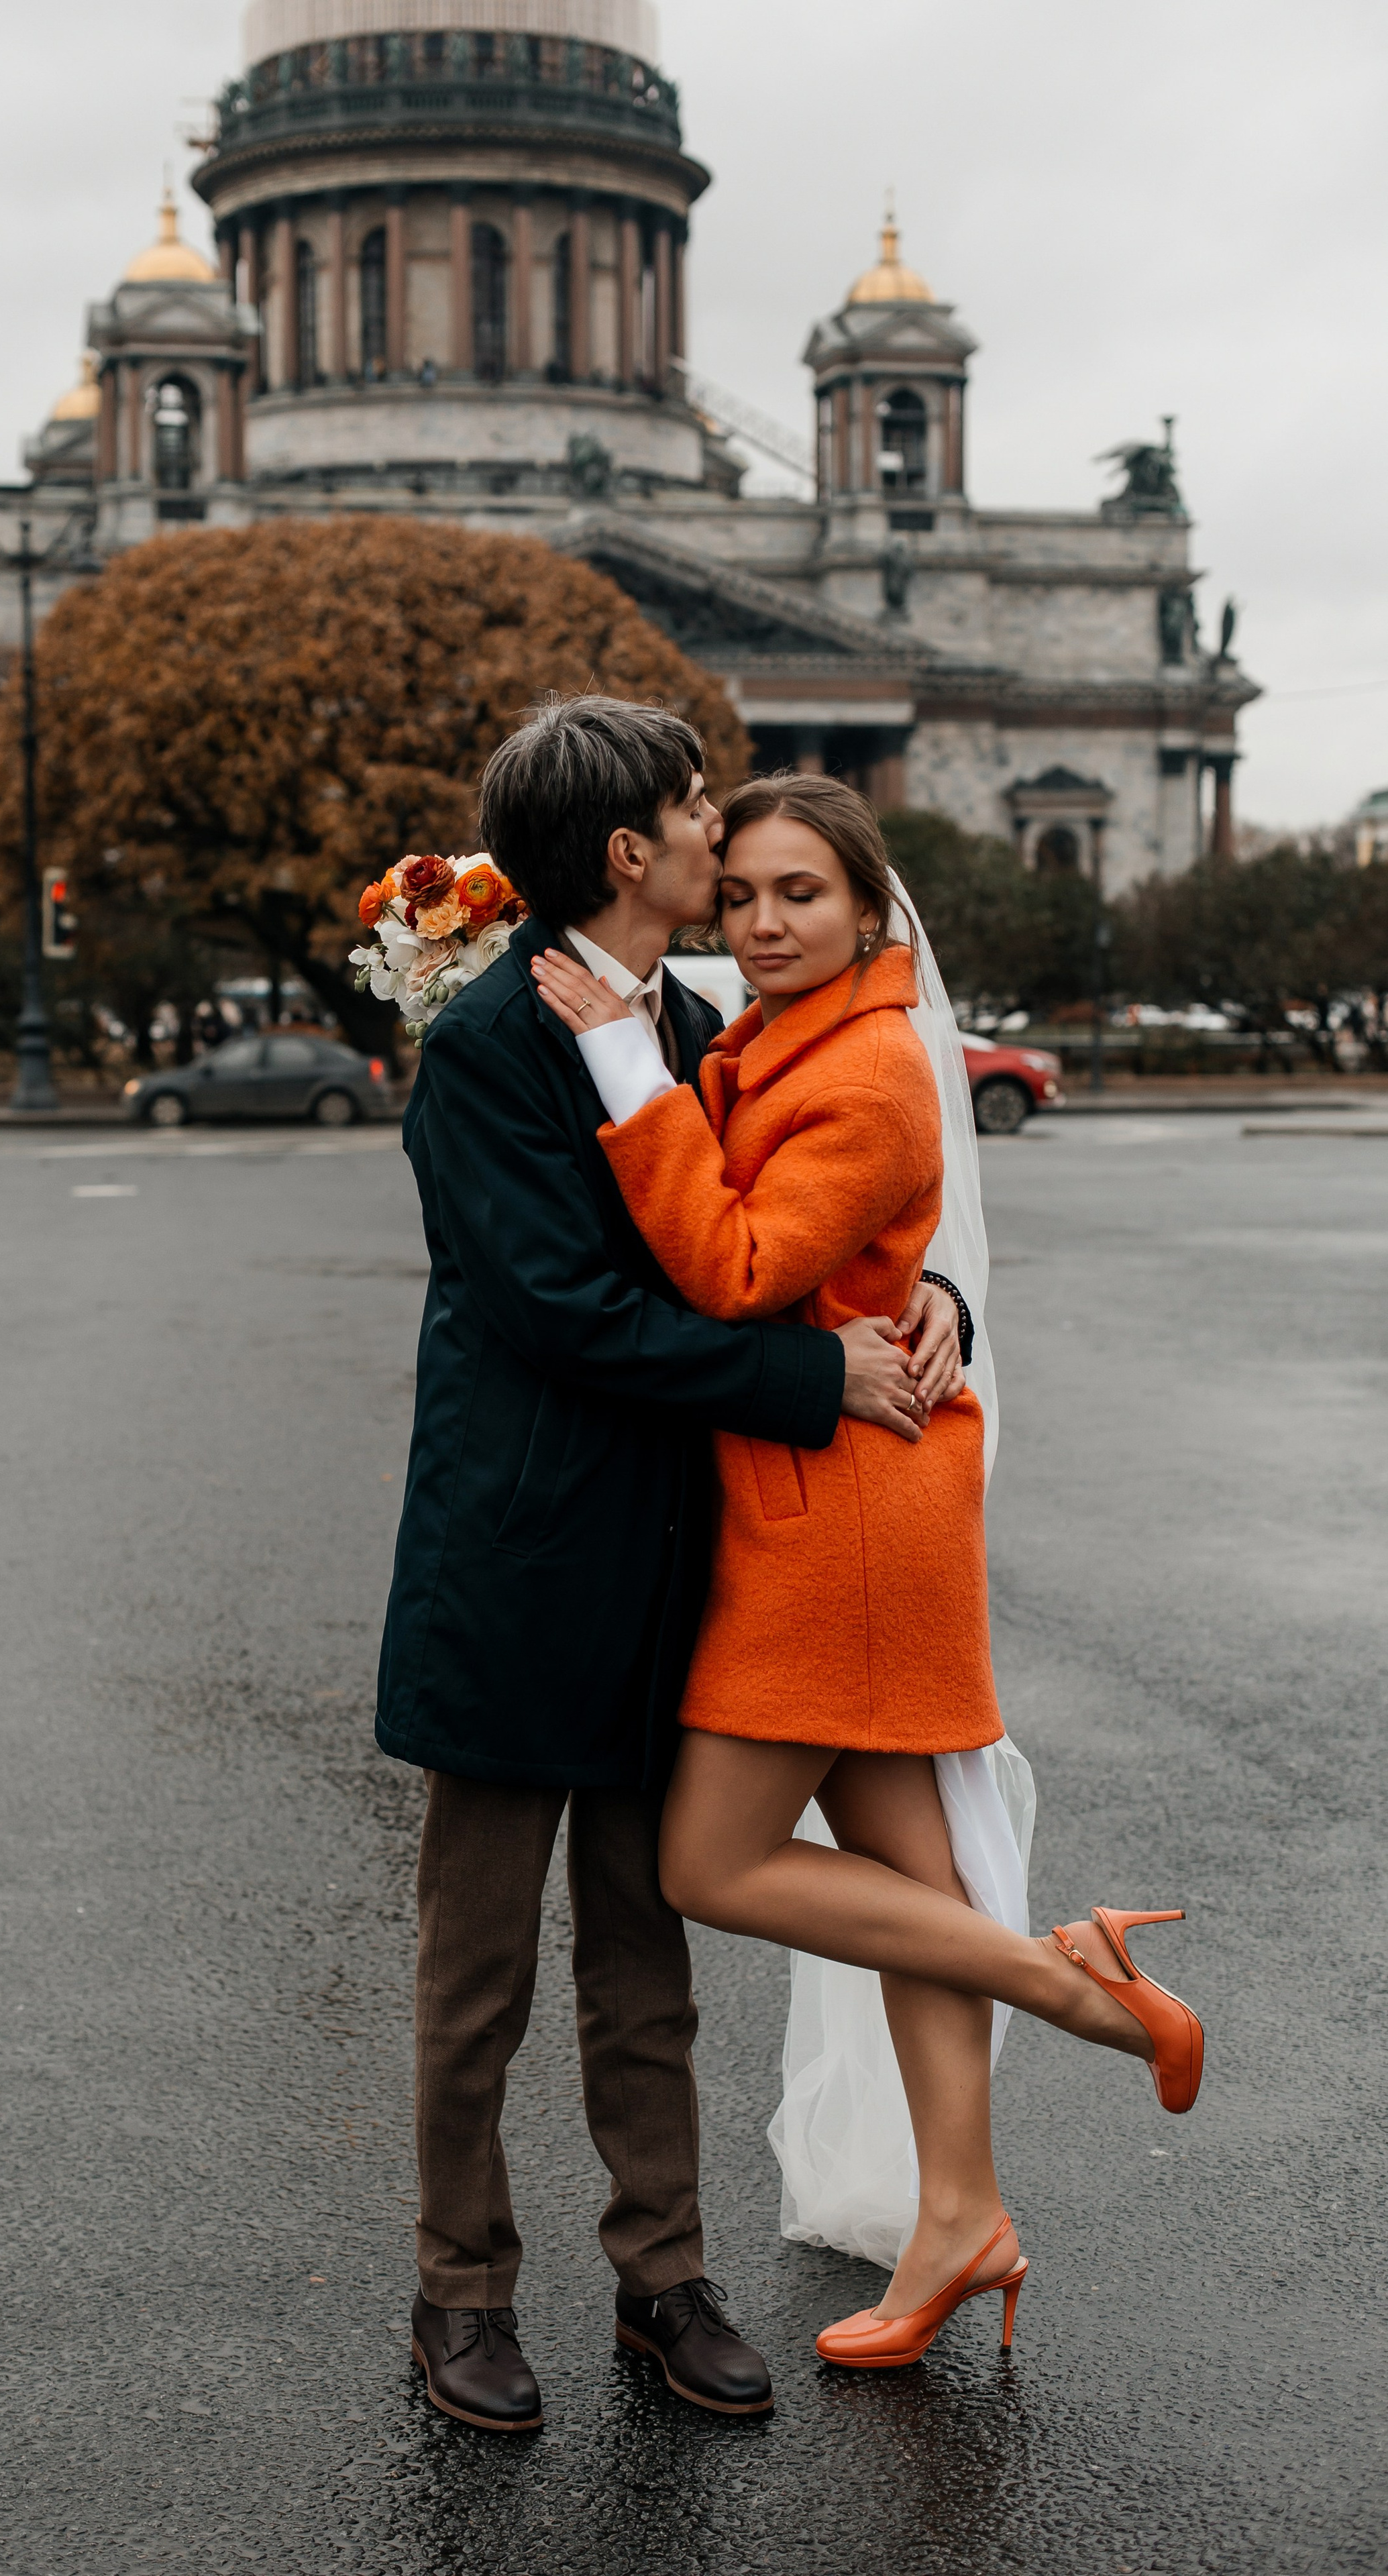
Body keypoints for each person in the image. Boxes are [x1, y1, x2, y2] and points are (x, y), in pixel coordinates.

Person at [532, 772, 1205, 2371]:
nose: (761, 924)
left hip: (830, 1512)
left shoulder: (871, 1066)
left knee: (709, 1865)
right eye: (744, 892)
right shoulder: (774, 1025)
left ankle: (1084, 1990)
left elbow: (742, 1266)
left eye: (801, 897)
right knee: (909, 1892)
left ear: (866, 908)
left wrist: (621, 1060)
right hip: (839, 1487)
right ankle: (959, 2214)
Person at [374, 700, 967, 2431]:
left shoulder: (700, 1015)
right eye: (700, 810)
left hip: (675, 1569)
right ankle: (461, 2291)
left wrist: (929, 1302)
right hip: (518, 1567)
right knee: (474, 1974)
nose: (726, 836)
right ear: (631, 853)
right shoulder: (486, 1044)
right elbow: (571, 1315)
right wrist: (809, 1378)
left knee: (646, 1961)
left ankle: (664, 2276)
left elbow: (785, 1239)